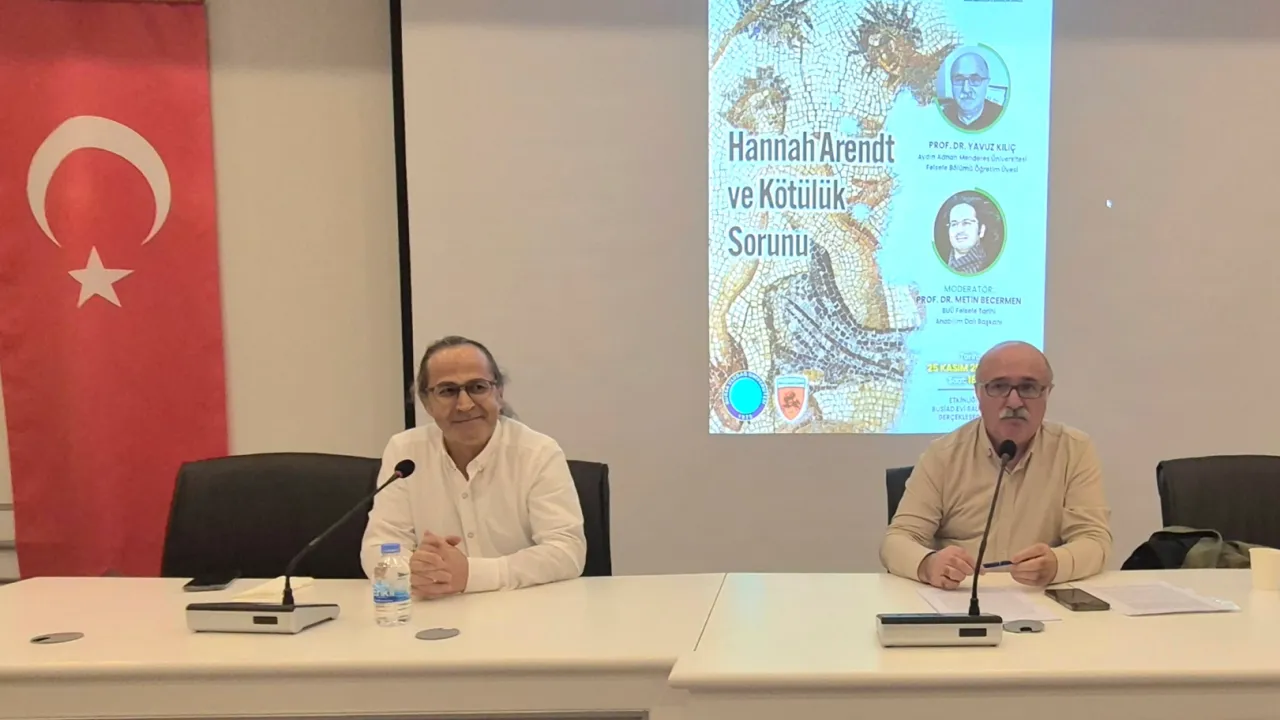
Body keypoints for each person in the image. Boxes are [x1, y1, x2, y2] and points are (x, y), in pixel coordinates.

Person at [361, 335, 586, 598]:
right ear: (426, 403)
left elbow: (567, 551)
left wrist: (472, 574)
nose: (465, 405)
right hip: (437, 610)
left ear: (499, 393)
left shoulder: (538, 452)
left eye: (478, 387)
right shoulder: (405, 452)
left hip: (522, 610)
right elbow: (379, 545)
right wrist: (416, 569)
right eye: (447, 391)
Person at [880, 341, 1111, 588]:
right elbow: (896, 540)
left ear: (1047, 394)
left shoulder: (1074, 450)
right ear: (978, 394)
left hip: (1039, 597)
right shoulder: (943, 455)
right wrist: (929, 565)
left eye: (1028, 387)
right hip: (960, 595)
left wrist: (1057, 563)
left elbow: (1094, 540)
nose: (1014, 402)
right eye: (999, 387)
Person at [940, 51, 1004, 131]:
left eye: (975, 80)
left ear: (987, 83)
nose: (966, 89)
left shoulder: (1002, 117)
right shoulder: (942, 117)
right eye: (959, 80)